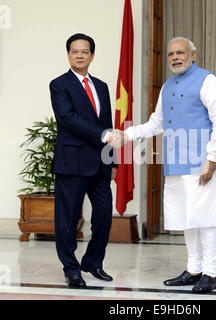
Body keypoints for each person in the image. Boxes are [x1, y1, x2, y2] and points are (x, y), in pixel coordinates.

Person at [106, 37, 216, 294]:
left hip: (201, 163)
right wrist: (126, 134)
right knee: (188, 218)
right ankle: (194, 269)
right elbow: (156, 123)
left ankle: (211, 272)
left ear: (193, 55)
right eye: (171, 53)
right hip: (175, 163)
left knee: (206, 219)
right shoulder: (167, 86)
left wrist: (211, 159)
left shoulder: (208, 81)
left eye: (180, 52)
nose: (175, 57)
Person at [49, 33, 117, 288]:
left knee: (104, 214)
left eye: (85, 51)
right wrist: (101, 135)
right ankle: (71, 268)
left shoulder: (101, 86)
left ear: (92, 55)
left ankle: (93, 261)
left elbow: (108, 124)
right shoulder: (59, 84)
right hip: (72, 162)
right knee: (67, 220)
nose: (80, 55)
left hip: (100, 164)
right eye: (75, 51)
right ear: (68, 55)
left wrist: (112, 162)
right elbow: (67, 119)